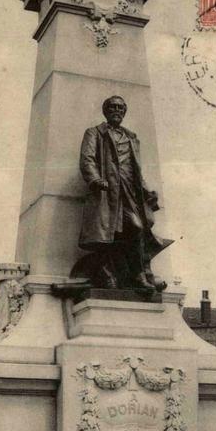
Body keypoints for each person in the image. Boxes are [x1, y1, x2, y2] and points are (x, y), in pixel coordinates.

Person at [78, 96, 171, 291]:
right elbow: (87, 159)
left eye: (121, 108)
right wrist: (95, 179)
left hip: (130, 192)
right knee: (114, 231)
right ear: (105, 111)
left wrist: (147, 191)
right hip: (108, 192)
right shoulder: (95, 133)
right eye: (112, 107)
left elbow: (136, 170)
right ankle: (113, 271)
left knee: (139, 227)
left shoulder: (131, 137)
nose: (117, 110)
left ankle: (139, 274)